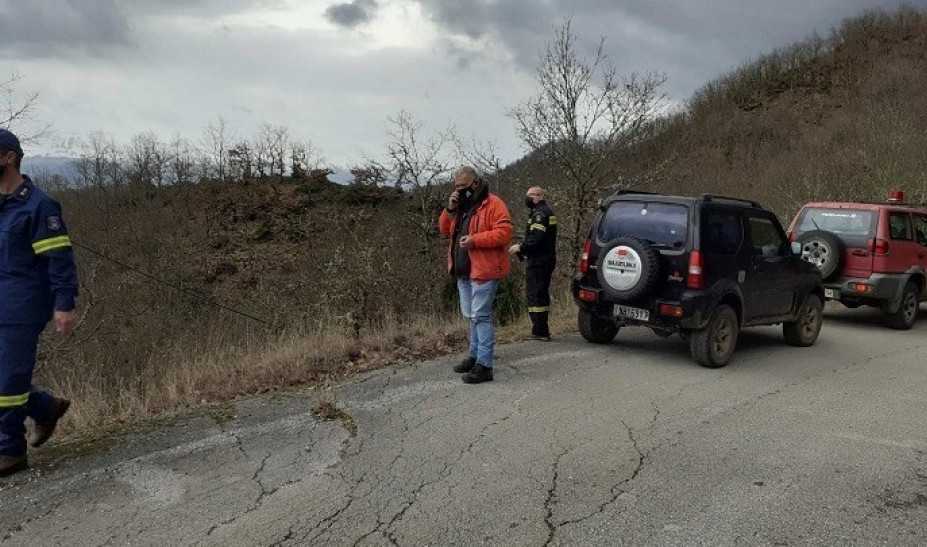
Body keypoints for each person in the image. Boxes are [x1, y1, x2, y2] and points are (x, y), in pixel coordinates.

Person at [0, 129, 77, 477]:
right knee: (5, 377)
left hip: (22, 306)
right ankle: (45, 408)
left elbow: (59, 260)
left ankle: (9, 451)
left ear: (9, 157)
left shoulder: (40, 206)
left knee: (9, 380)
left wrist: (64, 303)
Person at [438, 166, 512, 384]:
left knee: (481, 316)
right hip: (464, 271)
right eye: (456, 187)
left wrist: (475, 240)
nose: (459, 190)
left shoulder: (493, 204)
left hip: (484, 270)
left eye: (463, 186)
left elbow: (505, 233)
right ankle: (474, 356)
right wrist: (449, 209)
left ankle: (484, 365)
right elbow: (444, 230)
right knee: (472, 317)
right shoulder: (461, 206)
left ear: (475, 183)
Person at [509, 186, 557, 341]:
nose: (527, 199)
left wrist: (521, 247)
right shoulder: (541, 212)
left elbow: (536, 238)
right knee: (539, 294)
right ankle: (539, 329)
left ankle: (540, 331)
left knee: (536, 295)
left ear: (538, 196)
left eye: (529, 195)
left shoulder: (540, 214)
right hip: (542, 259)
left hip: (540, 261)